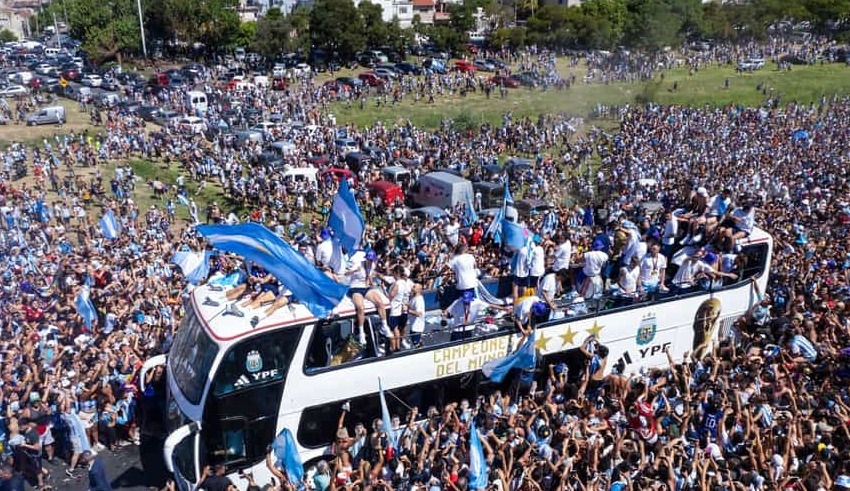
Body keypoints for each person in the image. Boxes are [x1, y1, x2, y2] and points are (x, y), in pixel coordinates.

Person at [406, 283, 425, 348]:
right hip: (413, 325)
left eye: (414, 287)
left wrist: (407, 310)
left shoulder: (418, 300)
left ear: (419, 290)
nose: (412, 288)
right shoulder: (414, 298)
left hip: (417, 326)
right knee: (418, 342)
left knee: (416, 344)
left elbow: (418, 313)